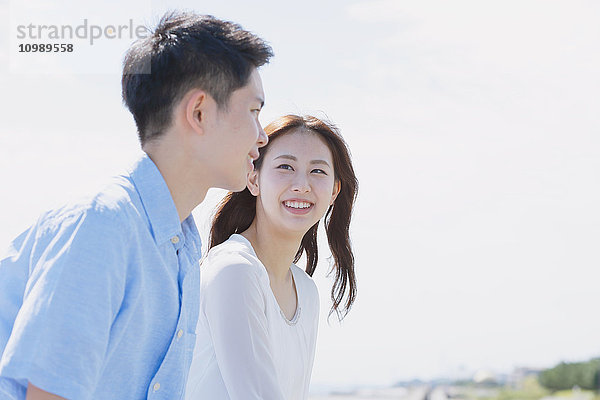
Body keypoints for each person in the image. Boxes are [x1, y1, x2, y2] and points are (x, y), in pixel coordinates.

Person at [0, 11, 272, 400]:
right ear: (199, 113)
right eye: (254, 112)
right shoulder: (103, 226)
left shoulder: (183, 246)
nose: (261, 136)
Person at [185, 115, 359, 400]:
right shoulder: (234, 270)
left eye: (318, 171)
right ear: (253, 179)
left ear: (334, 192)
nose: (302, 185)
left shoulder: (305, 290)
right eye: (285, 167)